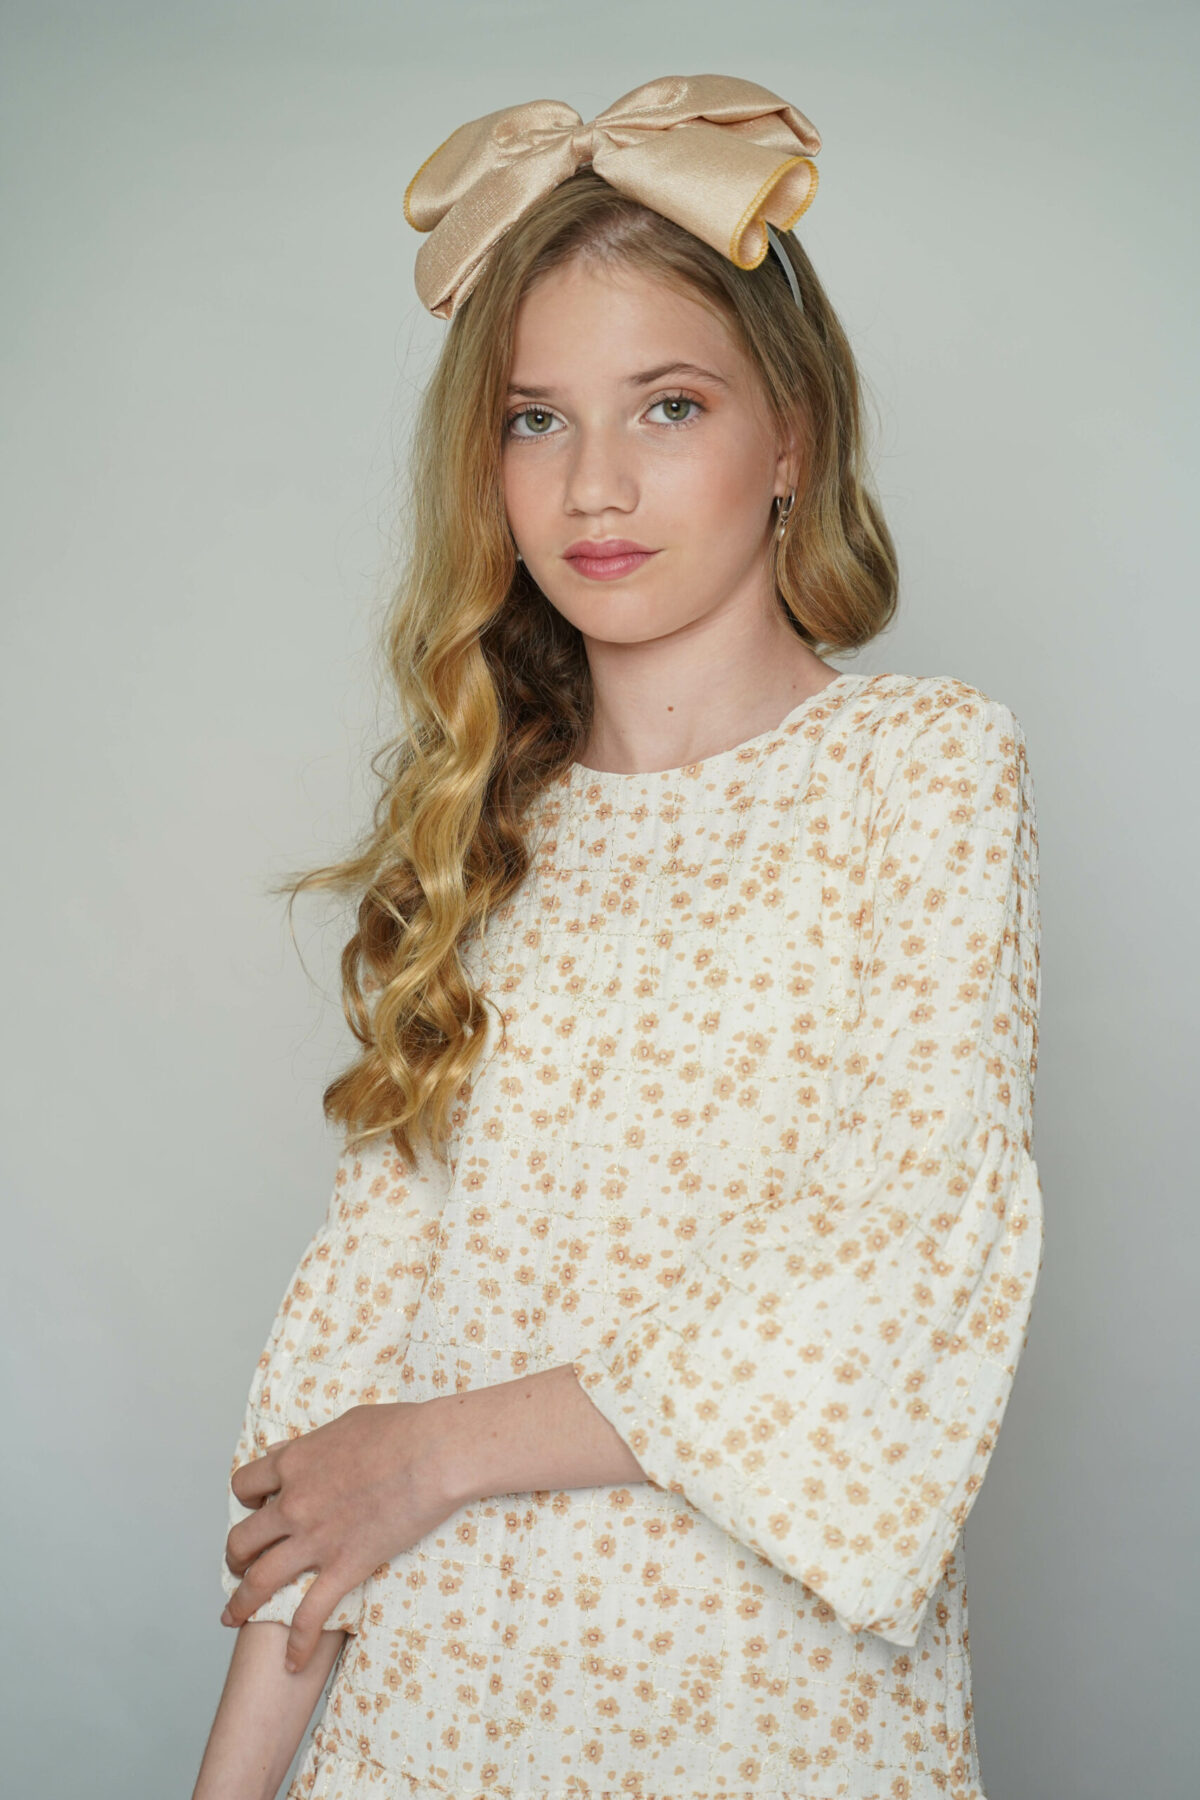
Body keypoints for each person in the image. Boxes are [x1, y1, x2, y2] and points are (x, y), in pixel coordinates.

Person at [193, 74, 1045, 1800]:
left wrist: (435, 1453)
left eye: (668, 405)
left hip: (766, 1707)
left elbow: (901, 1259)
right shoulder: (482, 832)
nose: (594, 483)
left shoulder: (922, 772)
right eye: (535, 420)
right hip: (436, 1704)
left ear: (790, 436)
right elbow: (348, 1381)